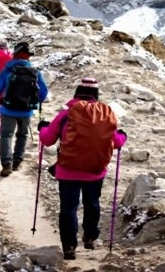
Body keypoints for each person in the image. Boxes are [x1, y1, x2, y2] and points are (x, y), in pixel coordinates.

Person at [39, 77, 126, 261]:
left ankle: (69, 247)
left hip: (68, 169)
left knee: (68, 208)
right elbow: (117, 142)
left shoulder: (67, 113)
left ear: (77, 92)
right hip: (95, 170)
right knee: (92, 203)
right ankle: (90, 236)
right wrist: (123, 136)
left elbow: (47, 140)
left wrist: (42, 128)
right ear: (96, 95)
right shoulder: (106, 113)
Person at [0, 42, 48, 177]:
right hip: (26, 110)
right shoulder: (35, 72)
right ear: (28, 57)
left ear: (14, 56)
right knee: (22, 135)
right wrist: (36, 101)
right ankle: (17, 161)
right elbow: (43, 93)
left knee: (6, 136)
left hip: (8, 109)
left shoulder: (7, 71)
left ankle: (6, 164)